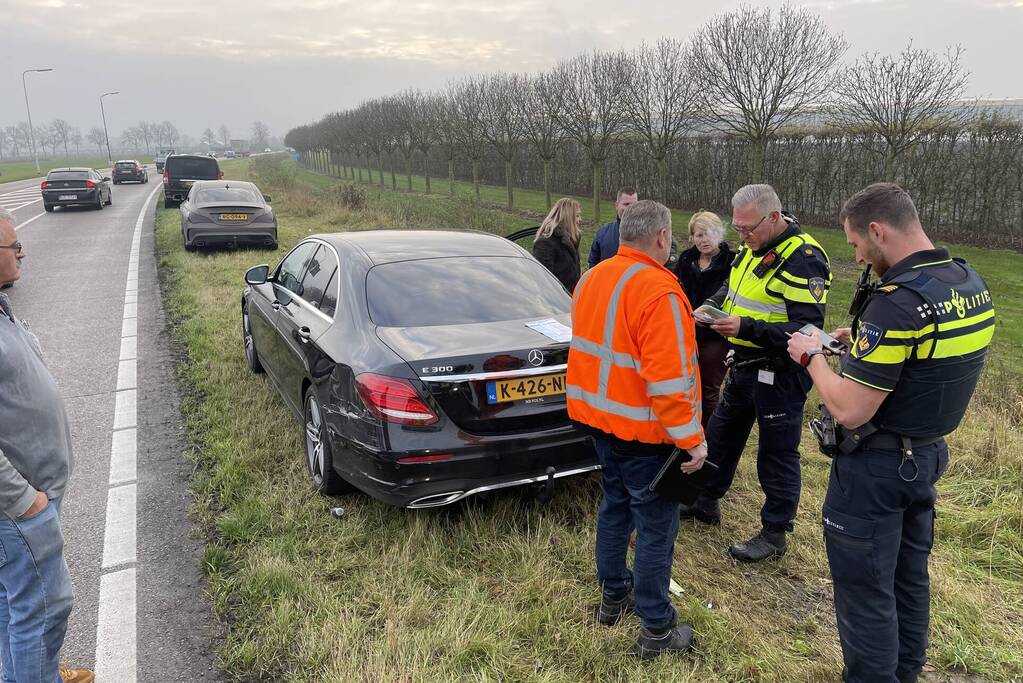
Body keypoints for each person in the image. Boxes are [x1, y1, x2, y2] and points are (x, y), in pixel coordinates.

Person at [787, 183, 994, 683]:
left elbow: (852, 409)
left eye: (857, 245)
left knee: (865, 594)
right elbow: (921, 361)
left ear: (878, 231)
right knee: (907, 579)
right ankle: (906, 673)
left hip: (875, 468)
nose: (857, 255)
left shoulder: (897, 303)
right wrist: (855, 342)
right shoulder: (966, 283)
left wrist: (812, 355)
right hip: (924, 456)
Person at [567, 200, 707, 660]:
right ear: (663, 238)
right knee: (653, 531)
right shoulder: (660, 293)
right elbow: (668, 383)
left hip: (598, 425)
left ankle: (613, 596)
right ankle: (656, 628)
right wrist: (692, 440)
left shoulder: (592, 278)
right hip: (646, 438)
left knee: (614, 508)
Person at [680, 184, 832, 563]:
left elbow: (808, 331)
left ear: (774, 217)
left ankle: (775, 532)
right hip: (745, 365)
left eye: (748, 229)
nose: (742, 236)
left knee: (776, 453)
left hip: (780, 373)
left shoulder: (804, 258)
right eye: (738, 229)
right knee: (721, 435)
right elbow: (732, 289)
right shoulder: (752, 249)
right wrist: (710, 307)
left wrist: (745, 328)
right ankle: (706, 501)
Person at [0, 209, 93, 683]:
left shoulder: (0, 303)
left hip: (25, 497)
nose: (22, 252)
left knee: (15, 602)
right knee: (44, 606)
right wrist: (26, 502)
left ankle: (29, 675)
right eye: (12, 247)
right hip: (17, 506)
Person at [674, 211, 734, 426]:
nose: (704, 240)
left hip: (716, 335)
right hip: (687, 331)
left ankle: (707, 433)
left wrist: (710, 315)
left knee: (709, 388)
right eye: (698, 235)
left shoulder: (732, 262)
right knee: (685, 385)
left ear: (719, 234)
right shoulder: (686, 259)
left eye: (709, 234)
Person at [532, 198, 582, 293]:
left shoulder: (572, 240)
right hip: (556, 302)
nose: (580, 219)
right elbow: (543, 280)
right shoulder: (545, 243)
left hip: (570, 299)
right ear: (568, 217)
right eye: (577, 216)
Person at [587, 187, 639, 268]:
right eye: (626, 204)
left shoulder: (648, 235)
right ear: (616, 205)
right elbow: (593, 264)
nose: (630, 209)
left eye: (634, 205)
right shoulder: (603, 233)